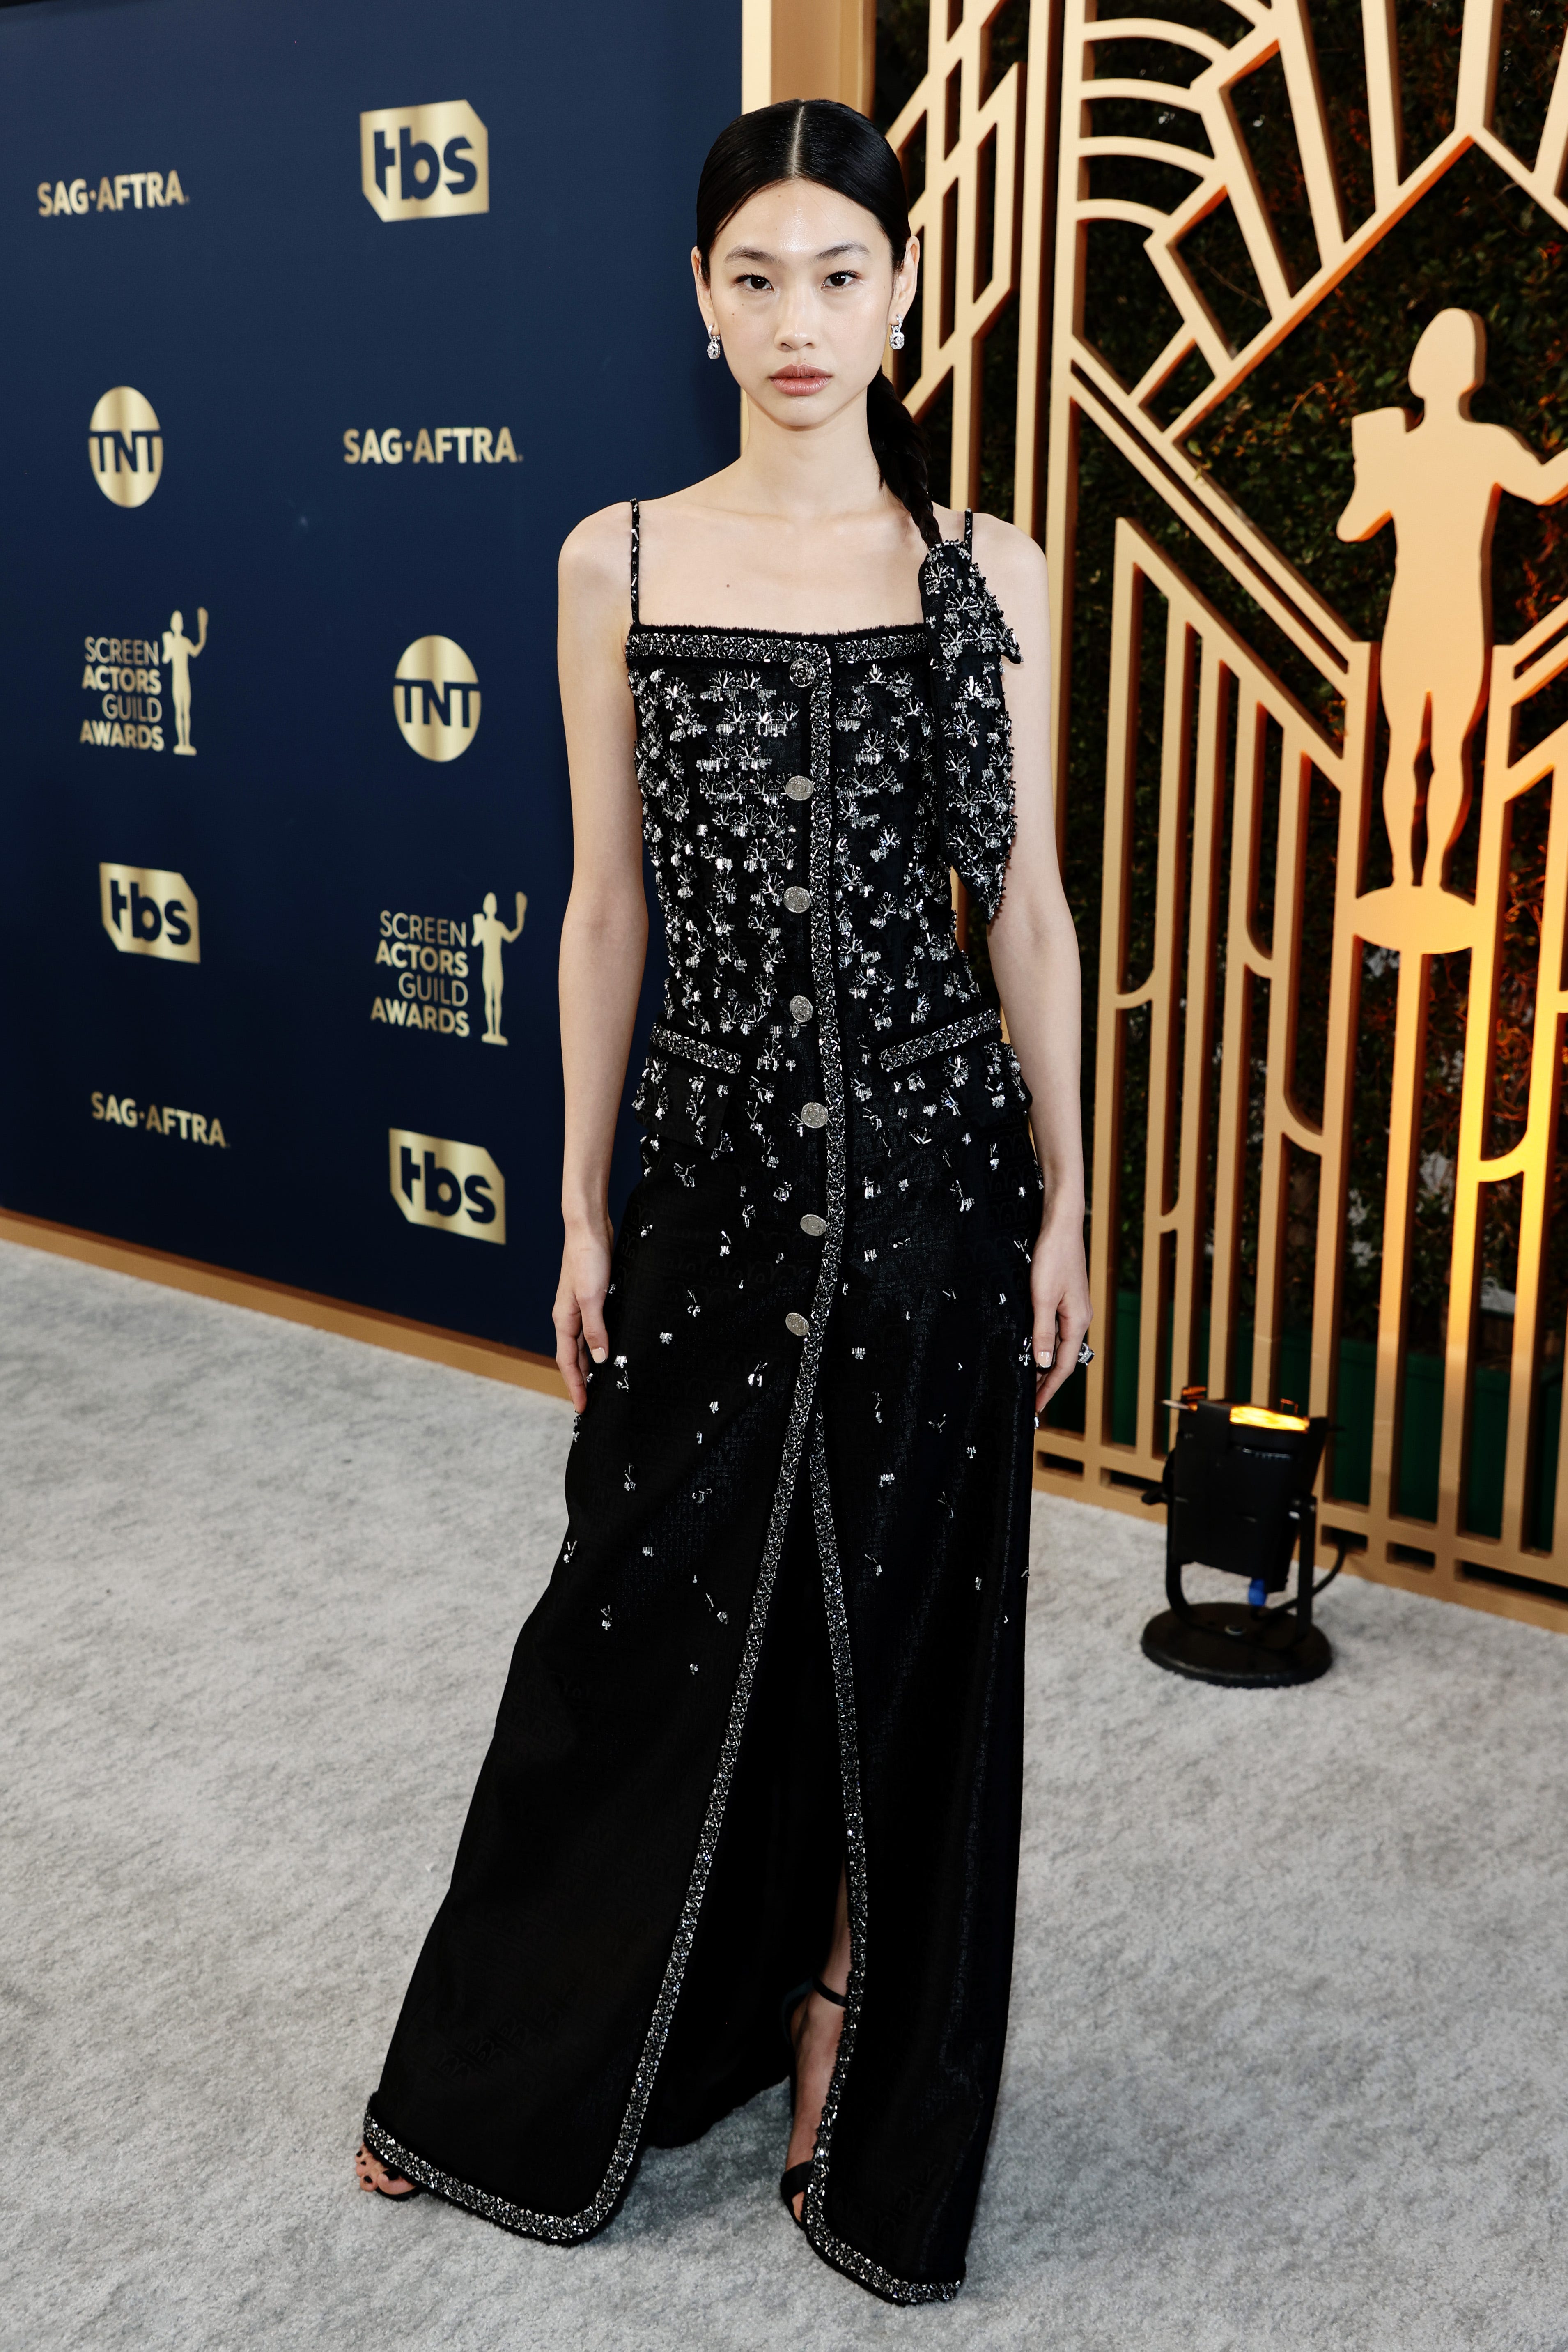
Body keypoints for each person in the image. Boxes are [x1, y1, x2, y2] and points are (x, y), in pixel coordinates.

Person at [354, 97, 1089, 2305]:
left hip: (939, 1176)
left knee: (907, 1626)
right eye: (754, 275)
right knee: (620, 1623)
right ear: (698, 298)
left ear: (900, 294)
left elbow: (1024, 908)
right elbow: (602, 909)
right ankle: (503, 2058)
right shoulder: (619, 561)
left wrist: (1073, 1201)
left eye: (837, 273)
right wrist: (577, 1204)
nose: (797, 318)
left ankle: (843, 2009)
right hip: (704, 1171)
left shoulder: (985, 570)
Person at [1338, 307, 1568, 888]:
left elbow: (1352, 524)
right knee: (1442, 750)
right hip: (1448, 616)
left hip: (1421, 615)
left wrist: (1372, 466)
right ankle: (1423, 878)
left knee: (1410, 750)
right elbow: (1545, 484)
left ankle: (1409, 878)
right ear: (1471, 370)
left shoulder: (1407, 450)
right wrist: (1372, 465)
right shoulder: (1480, 444)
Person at [472, 887, 526, 1044]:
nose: (491, 907)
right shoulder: (483, 925)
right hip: (488, 967)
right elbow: (475, 941)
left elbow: (511, 937)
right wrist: (477, 926)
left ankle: (496, 1032)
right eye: (489, 904)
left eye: (493, 905)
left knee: (497, 999)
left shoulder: (499, 926)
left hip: (497, 967)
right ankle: (491, 1031)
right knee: (489, 998)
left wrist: (521, 920)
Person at [162, 606, 207, 756]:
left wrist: (203, 631)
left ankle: (187, 743)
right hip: (176, 682)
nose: (178, 625)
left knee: (186, 712)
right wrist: (166, 643)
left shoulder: (185, 642)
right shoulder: (171, 641)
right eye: (176, 622)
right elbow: (165, 659)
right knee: (178, 711)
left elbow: (196, 651)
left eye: (180, 622)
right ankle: (181, 743)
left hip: (185, 681)